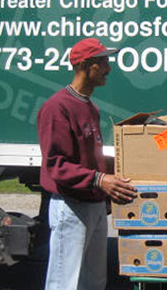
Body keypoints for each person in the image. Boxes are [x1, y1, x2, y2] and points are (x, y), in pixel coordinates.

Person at [37, 38, 137, 290]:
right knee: (64, 282)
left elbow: (90, 159)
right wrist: (100, 180)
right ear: (84, 65)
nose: (108, 68)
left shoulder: (90, 107)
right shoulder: (57, 107)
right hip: (71, 206)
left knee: (94, 282)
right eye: (102, 62)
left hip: (93, 205)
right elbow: (56, 165)